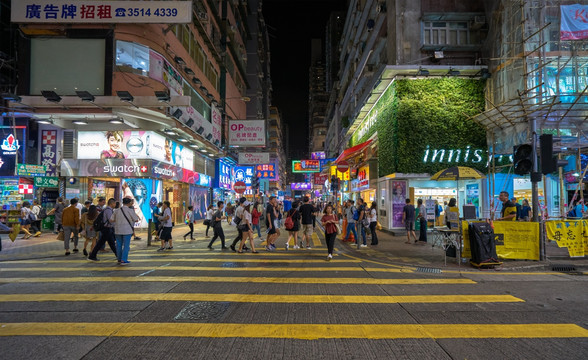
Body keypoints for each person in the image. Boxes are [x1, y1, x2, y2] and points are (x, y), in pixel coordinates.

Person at [109, 197, 139, 265]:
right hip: (127, 230)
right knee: (126, 245)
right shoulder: (130, 210)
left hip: (117, 230)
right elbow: (136, 219)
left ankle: (119, 259)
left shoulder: (116, 210)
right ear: (129, 203)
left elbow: (111, 219)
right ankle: (124, 259)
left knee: (118, 245)